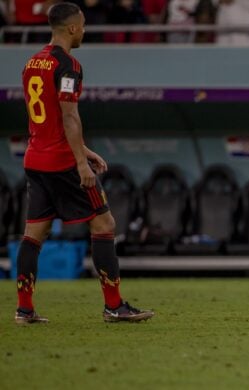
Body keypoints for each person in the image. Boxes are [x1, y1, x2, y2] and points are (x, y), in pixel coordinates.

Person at [18, 2, 154, 324]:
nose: (85, 31)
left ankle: (24, 310)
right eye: (83, 25)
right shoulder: (69, 66)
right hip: (62, 163)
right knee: (104, 225)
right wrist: (82, 163)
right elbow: (68, 116)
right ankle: (114, 306)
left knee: (33, 235)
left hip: (35, 158)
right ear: (72, 28)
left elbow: (49, 118)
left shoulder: (31, 62)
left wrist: (85, 149)